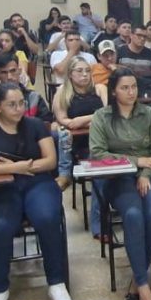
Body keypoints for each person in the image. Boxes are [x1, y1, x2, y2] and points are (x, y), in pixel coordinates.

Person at [0, 83, 72, 300]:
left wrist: (24, 167)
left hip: (38, 182)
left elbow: (49, 161)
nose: (18, 109)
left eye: (21, 103)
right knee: (0, 225)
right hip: (2, 185)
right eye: (11, 105)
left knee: (47, 217)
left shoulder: (35, 125)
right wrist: (15, 167)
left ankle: (56, 283)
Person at [88, 68, 151, 300]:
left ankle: (136, 278)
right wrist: (137, 162)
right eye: (125, 87)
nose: (131, 92)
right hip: (118, 177)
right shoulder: (102, 117)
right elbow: (98, 154)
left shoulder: (149, 114)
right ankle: (144, 286)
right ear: (114, 90)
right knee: (133, 215)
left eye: (134, 87)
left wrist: (145, 173)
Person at [53, 57, 106, 239]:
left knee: (100, 163)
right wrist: (90, 121)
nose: (84, 75)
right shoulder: (62, 92)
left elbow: (106, 114)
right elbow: (63, 120)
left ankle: (101, 219)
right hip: (78, 144)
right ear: (70, 74)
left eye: (87, 71)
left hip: (101, 140)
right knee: (62, 132)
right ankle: (65, 173)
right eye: (79, 71)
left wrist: (82, 120)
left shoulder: (99, 89)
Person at [0, 53, 54, 129]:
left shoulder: (34, 98)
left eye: (13, 71)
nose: (9, 77)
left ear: (19, 71)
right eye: (3, 72)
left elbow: (47, 124)